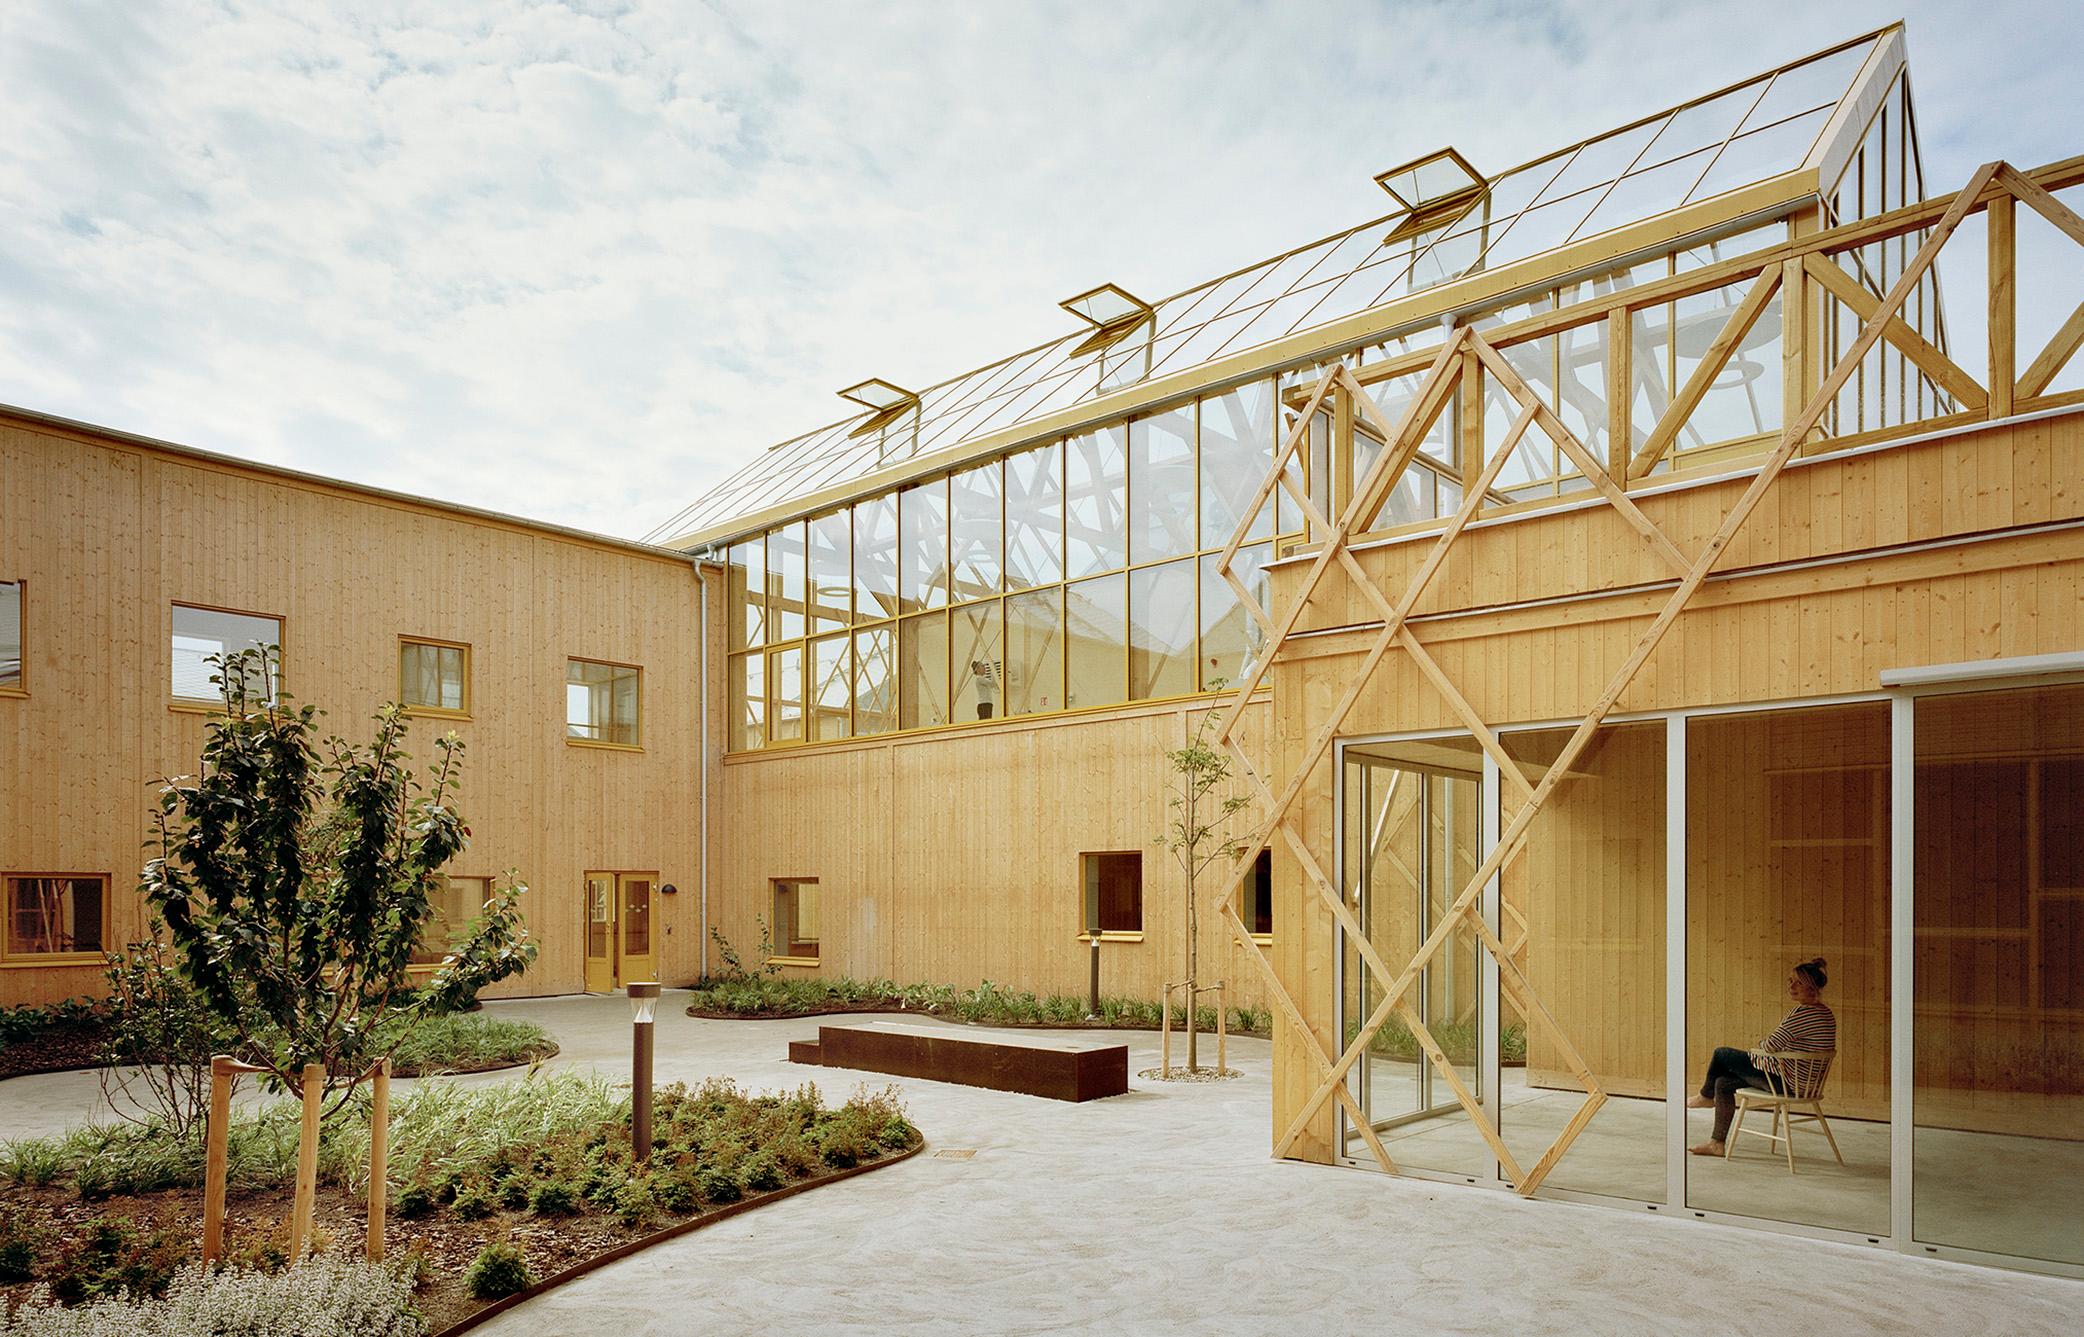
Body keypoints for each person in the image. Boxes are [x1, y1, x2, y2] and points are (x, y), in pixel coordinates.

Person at [1687, 958, 1835, 1157]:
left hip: (1788, 1083)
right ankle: (1716, 1143)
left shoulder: (1803, 1013)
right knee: (1722, 1083)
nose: (1791, 986)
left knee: (1722, 1054)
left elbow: (1771, 1045)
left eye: (1798, 982)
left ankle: (1705, 1096)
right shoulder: (1825, 1013)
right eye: (1790, 980)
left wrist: (1762, 1046)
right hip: (1805, 1085)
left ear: (1812, 987)